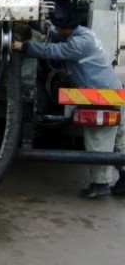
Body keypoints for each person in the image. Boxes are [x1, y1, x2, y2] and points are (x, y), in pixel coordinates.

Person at [12, 13, 124, 199]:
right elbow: (55, 37)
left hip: (101, 96)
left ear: (66, 29)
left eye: (59, 28)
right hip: (115, 92)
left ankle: (100, 185)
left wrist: (24, 46)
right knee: (120, 140)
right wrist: (34, 25)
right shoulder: (84, 33)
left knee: (98, 141)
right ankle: (124, 181)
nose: (57, 30)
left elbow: (54, 51)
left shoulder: (79, 44)